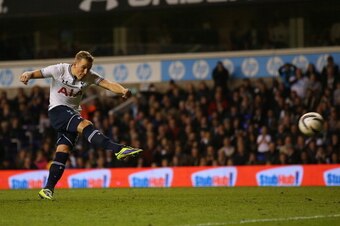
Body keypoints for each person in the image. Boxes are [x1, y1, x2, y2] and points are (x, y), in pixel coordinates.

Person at [20, 50, 143, 200]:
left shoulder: (89, 76)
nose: (85, 72)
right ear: (75, 63)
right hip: (57, 111)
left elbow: (108, 84)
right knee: (85, 124)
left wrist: (123, 90)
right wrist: (28, 74)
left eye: (88, 68)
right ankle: (118, 149)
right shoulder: (59, 69)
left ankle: (47, 189)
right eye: (83, 67)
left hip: (72, 114)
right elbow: (38, 72)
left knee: (63, 151)